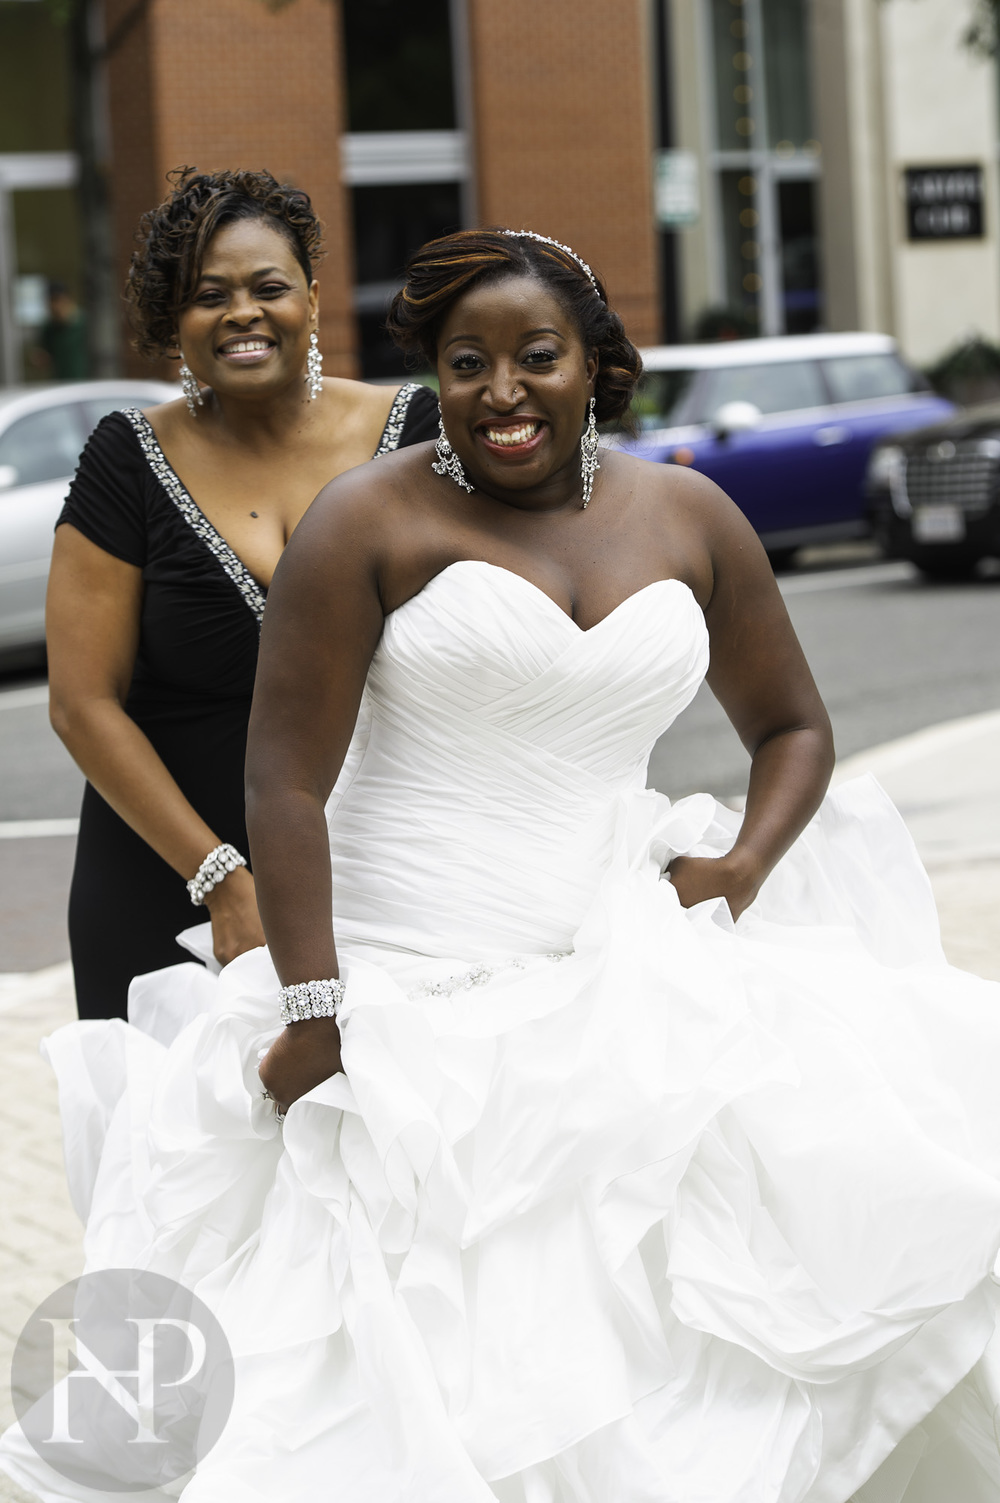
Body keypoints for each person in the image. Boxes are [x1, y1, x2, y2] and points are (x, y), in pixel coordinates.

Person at [6, 228, 1000, 1502]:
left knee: (692, 1311)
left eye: (536, 357)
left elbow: (794, 725)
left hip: (616, 959)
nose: (501, 391)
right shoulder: (369, 517)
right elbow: (285, 783)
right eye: (465, 364)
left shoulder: (690, 515)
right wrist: (315, 1007)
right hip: (399, 978)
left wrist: (743, 867)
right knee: (390, 1358)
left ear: (597, 364)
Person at [47, 168, 439, 1020]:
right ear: (173, 320)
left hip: (385, 869)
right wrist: (219, 878)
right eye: (206, 295)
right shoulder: (127, 457)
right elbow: (83, 704)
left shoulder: (417, 436)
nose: (241, 313)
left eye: (269, 287)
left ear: (312, 295)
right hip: (165, 878)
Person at [34, 280, 89, 380]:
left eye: (57, 300)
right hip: (62, 383)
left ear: (67, 299)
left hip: (85, 382)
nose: (55, 306)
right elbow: (44, 356)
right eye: (51, 301)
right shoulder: (49, 329)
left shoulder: (84, 323)